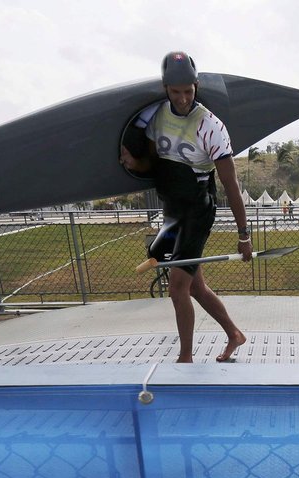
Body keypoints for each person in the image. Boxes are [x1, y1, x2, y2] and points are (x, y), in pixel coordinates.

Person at [119, 51, 251, 363]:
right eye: (176, 92)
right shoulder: (156, 116)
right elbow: (154, 162)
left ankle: (185, 358)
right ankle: (234, 334)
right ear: (165, 88)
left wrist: (244, 233)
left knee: (177, 288)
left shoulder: (210, 126)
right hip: (173, 210)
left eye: (188, 91)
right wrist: (135, 163)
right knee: (195, 288)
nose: (182, 99)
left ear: (196, 85)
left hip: (197, 210)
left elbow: (230, 184)